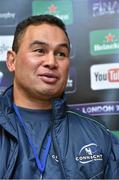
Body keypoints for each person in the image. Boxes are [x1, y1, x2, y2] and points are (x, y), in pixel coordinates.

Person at [0, 14, 119, 179]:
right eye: (40, 50)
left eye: (61, 53)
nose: (51, 62)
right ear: (12, 61)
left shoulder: (98, 134)